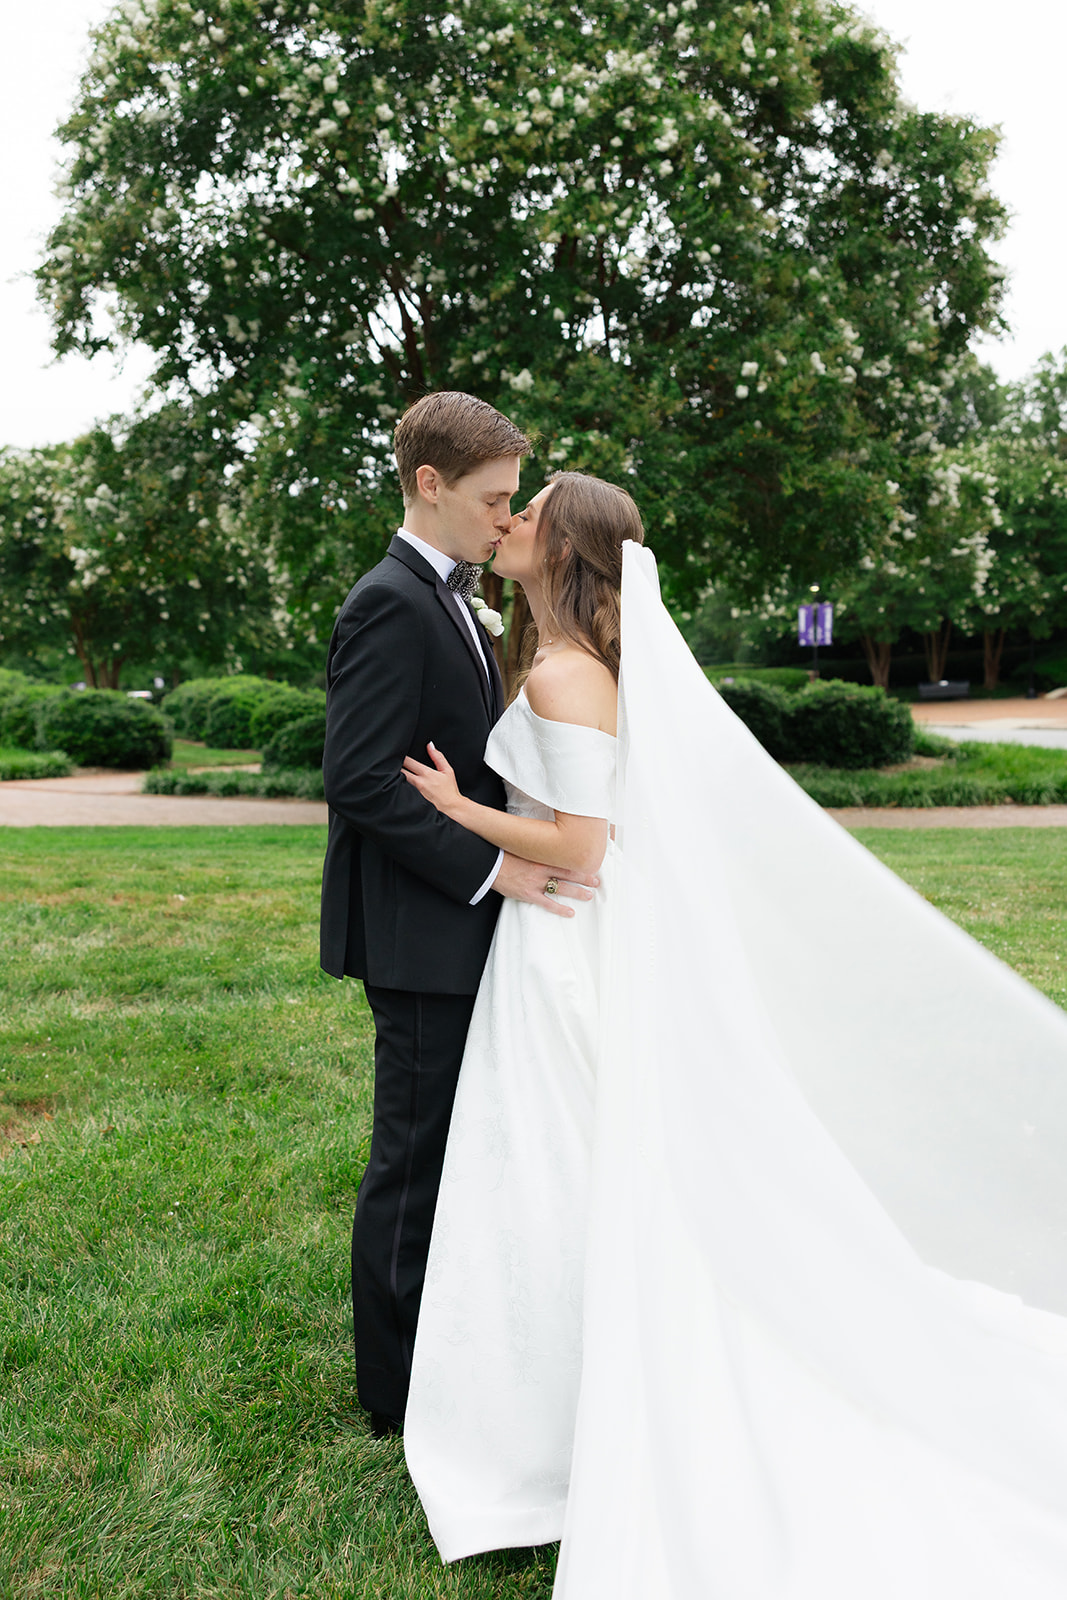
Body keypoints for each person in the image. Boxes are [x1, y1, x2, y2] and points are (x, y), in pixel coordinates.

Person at [402, 470, 1067, 1596]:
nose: (507, 523)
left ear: (562, 551)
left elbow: (582, 848)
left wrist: (459, 808)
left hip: (566, 935)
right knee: (575, 1159)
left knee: (569, 1160)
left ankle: (562, 1414)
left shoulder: (566, 674)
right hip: (568, 942)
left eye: (528, 511)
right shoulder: (575, 663)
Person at [320, 393, 595, 1441]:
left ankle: (450, 1343)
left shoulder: (457, 598)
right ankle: (391, 1394)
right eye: (492, 499)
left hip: (460, 924)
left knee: (454, 1149)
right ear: (428, 484)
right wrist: (491, 872)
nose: (504, 517)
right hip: (421, 930)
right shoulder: (390, 600)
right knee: (414, 1157)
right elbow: (360, 781)